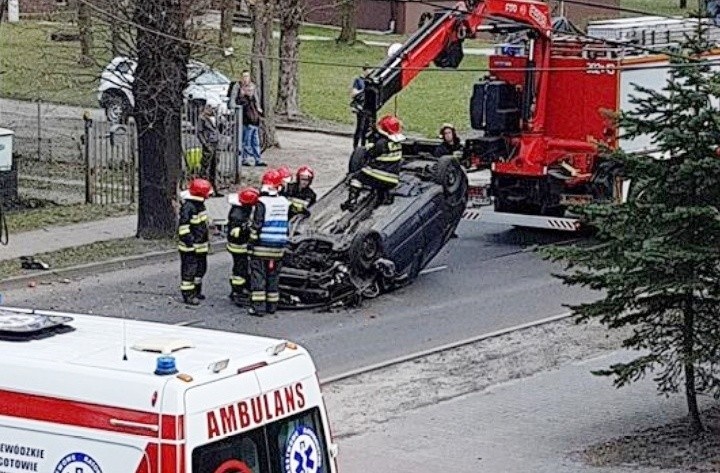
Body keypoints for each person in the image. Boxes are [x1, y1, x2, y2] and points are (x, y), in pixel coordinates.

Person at [247, 169, 290, 316]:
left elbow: (257, 226)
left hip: (262, 246)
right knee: (273, 277)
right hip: (278, 247)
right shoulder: (285, 202)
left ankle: (258, 307)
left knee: (258, 276)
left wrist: (250, 243)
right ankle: (272, 306)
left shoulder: (262, 203)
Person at [342, 114, 406, 211]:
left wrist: (370, 145)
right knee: (382, 185)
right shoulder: (398, 145)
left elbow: (370, 154)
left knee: (356, 178)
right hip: (393, 180)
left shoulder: (381, 143)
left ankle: (352, 201)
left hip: (377, 176)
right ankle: (384, 197)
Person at [177, 178, 213, 306]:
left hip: (200, 246)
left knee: (201, 269)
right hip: (190, 248)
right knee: (189, 271)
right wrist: (191, 243)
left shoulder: (199, 204)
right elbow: (183, 229)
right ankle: (188, 295)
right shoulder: (188, 207)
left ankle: (197, 291)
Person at [226, 187, 259, 306]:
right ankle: (237, 292)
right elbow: (236, 233)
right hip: (238, 247)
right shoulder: (237, 215)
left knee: (242, 268)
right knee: (240, 270)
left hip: (240, 245)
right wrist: (247, 229)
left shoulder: (242, 209)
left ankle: (240, 289)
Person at [236, 70, 266, 167]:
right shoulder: (242, 96)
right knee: (246, 142)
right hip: (246, 122)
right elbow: (239, 104)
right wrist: (243, 96)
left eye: (247, 76)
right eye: (244, 76)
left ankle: (258, 159)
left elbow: (257, 106)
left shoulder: (253, 98)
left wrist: (259, 112)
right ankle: (246, 159)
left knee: (255, 142)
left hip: (254, 121)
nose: (246, 79)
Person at [197, 105, 221, 195]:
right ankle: (203, 188)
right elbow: (199, 132)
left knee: (214, 167)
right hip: (209, 143)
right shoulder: (202, 118)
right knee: (205, 166)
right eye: (209, 107)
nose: (211, 109)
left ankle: (215, 188)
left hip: (216, 143)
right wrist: (205, 144)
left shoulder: (215, 117)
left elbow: (219, 128)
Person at [350, 64, 372, 149]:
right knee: (360, 127)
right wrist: (363, 90)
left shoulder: (370, 80)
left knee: (366, 128)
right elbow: (353, 93)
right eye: (369, 70)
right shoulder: (358, 80)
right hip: (360, 107)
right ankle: (355, 146)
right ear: (364, 70)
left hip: (368, 107)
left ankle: (363, 145)